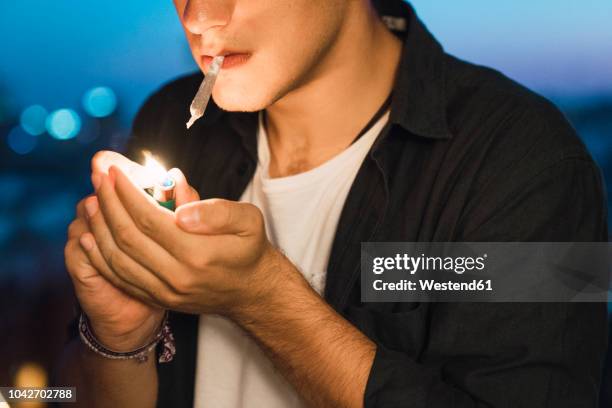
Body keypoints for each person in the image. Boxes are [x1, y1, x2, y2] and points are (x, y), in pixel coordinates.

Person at [56, 0, 609, 407]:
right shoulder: (172, 120)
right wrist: (120, 337)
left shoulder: (536, 164)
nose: (200, 15)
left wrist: (265, 300)